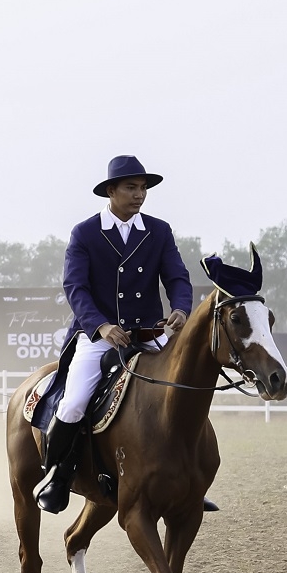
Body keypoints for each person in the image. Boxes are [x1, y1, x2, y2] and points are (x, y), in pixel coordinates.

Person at [36, 156, 192, 514]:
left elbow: (177, 278)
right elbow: (75, 286)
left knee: (181, 393)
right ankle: (58, 475)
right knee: (74, 402)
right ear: (111, 191)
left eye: (143, 189)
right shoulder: (85, 233)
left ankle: (188, 478)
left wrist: (181, 308)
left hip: (149, 333)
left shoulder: (159, 230)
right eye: (131, 188)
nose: (140, 195)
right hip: (100, 336)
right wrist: (101, 326)